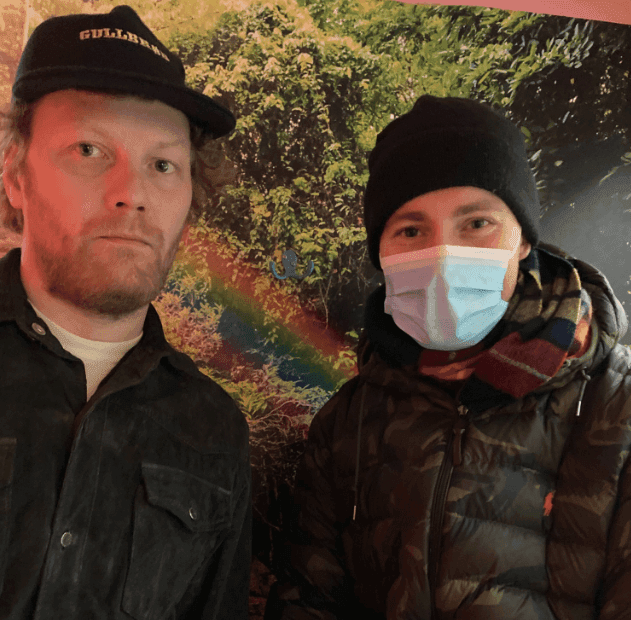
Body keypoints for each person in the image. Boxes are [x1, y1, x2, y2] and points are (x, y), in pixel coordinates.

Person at [265, 95, 631, 619]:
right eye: (411, 230)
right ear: (381, 253)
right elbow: (309, 600)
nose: (443, 255)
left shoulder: (617, 407)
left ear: (523, 240)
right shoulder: (349, 422)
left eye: (477, 223)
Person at [0, 6, 250, 619]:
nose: (132, 193)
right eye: (88, 149)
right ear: (15, 177)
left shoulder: (215, 429)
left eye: (162, 165)